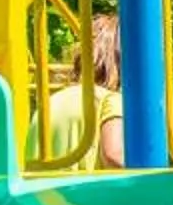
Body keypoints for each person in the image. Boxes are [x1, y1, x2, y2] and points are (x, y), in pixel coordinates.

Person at [39, 14, 126, 170]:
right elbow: (113, 155)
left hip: (38, 192)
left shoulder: (52, 100)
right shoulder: (110, 100)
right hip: (82, 193)